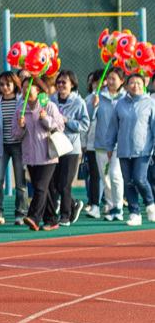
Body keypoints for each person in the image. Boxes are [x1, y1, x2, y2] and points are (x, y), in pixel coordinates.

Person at [19, 75, 67, 231]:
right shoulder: (20, 109)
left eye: (29, 87)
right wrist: (20, 127)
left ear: (38, 89)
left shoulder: (49, 106)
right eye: (23, 88)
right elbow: (15, 135)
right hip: (30, 156)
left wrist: (46, 119)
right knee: (43, 189)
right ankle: (51, 219)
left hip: (47, 155)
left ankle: (33, 217)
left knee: (40, 187)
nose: (25, 90)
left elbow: (60, 127)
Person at [46, 71, 88, 226]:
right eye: (59, 82)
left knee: (65, 183)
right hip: (55, 147)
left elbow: (84, 124)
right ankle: (74, 204)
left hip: (70, 148)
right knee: (54, 183)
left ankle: (65, 215)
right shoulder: (51, 101)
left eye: (65, 82)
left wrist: (67, 121)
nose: (61, 85)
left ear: (72, 84)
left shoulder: (79, 102)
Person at [113, 70, 155, 225]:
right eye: (132, 83)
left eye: (138, 83)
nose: (135, 86)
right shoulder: (120, 104)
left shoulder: (150, 103)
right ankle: (134, 213)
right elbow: (114, 127)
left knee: (140, 179)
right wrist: (110, 146)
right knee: (128, 182)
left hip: (143, 149)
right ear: (126, 85)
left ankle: (150, 204)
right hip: (124, 150)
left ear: (144, 85)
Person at [0, 72, 29, 225]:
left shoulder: (22, 101)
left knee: (21, 182)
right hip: (1, 146)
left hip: (19, 146)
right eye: (1, 84)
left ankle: (21, 213)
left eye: (8, 84)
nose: (5, 87)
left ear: (15, 84)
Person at [88, 67, 125, 221]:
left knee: (115, 175)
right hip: (101, 144)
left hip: (118, 145)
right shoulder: (98, 96)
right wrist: (93, 105)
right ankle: (110, 206)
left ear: (122, 81)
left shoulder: (125, 98)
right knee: (105, 178)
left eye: (113, 79)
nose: (110, 81)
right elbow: (89, 118)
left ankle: (119, 207)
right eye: (108, 78)